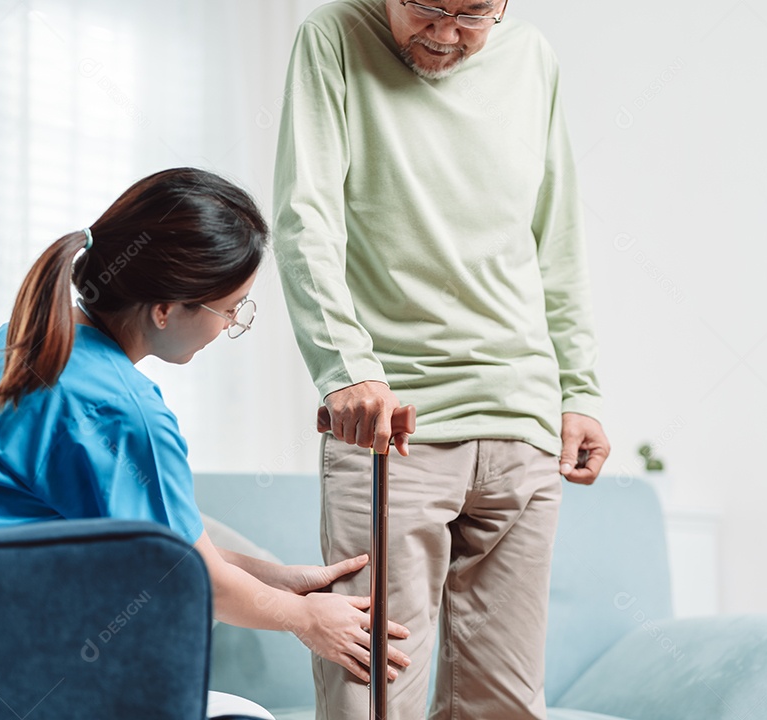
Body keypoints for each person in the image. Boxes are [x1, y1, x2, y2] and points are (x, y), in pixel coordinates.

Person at [0, 167, 410, 683]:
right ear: (164, 310)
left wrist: (280, 582)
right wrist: (307, 621)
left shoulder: (21, 342)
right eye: (229, 310)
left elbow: (162, 544)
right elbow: (184, 574)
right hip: (9, 672)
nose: (230, 325)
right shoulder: (123, 408)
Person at [272, 1, 611, 718]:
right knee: (374, 699)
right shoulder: (333, 35)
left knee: (505, 705)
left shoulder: (532, 58)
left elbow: (558, 236)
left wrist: (578, 388)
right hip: (392, 422)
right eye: (427, 7)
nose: (447, 32)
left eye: (475, 13)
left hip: (523, 421)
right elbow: (308, 214)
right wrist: (345, 367)